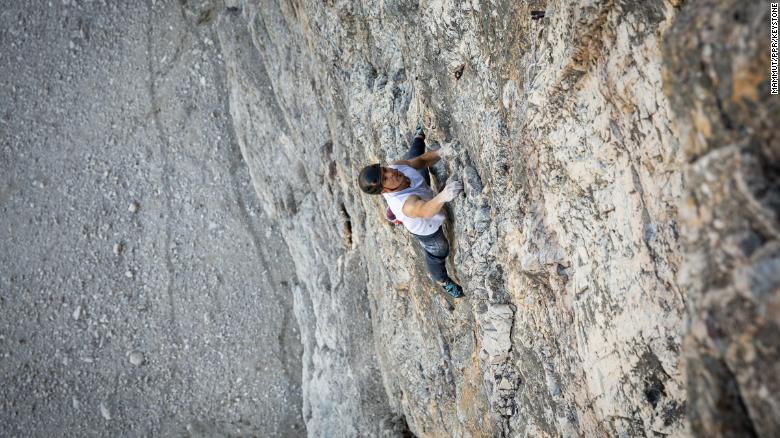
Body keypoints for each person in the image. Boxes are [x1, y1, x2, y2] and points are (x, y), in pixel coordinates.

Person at [357, 124, 464, 298]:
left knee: (414, 160)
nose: (390, 173)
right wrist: (444, 195)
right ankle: (442, 281)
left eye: (385, 170)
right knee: (439, 252)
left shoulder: (396, 168)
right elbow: (424, 210)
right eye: (385, 178)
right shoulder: (406, 204)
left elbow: (421, 161)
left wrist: (441, 153)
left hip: (416, 189)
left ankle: (418, 137)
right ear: (384, 190)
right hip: (426, 226)